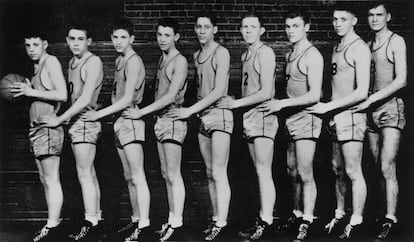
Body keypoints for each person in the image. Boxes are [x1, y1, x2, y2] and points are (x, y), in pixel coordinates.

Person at [81, 19, 151, 242]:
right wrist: (103, 108)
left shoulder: (132, 60)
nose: (118, 41)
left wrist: (97, 115)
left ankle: (145, 225)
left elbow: (128, 98)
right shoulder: (120, 60)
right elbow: (118, 96)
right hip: (120, 121)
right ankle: (136, 220)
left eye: (123, 37)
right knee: (129, 176)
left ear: (132, 38)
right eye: (115, 37)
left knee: (138, 175)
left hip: (130, 120)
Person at [257, 9, 324, 241]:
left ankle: (308, 221)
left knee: (305, 172)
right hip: (291, 118)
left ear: (307, 27)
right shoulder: (289, 54)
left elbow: (315, 94)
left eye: (295, 26)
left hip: (307, 117)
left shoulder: (312, 55)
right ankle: (297, 215)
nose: (290, 31)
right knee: (291, 171)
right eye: (287, 26)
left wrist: (281, 104)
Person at [307, 4, 371, 240]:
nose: (338, 23)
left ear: (354, 20)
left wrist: (328, 108)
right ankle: (341, 213)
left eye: (343, 19)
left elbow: (362, 91)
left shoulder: (359, 48)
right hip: (336, 117)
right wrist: (332, 113)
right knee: (337, 169)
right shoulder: (336, 47)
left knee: (354, 170)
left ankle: (357, 221)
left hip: (352, 116)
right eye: (335, 19)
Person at [121, 17, 188, 242]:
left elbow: (170, 96)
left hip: (173, 119)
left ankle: (177, 224)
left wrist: (141, 112)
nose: (162, 39)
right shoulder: (162, 59)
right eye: (159, 34)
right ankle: (171, 219)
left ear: (176, 37)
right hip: (161, 120)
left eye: (167, 35)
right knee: (166, 174)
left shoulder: (179, 61)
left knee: (173, 173)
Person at [168, 10, 233, 241]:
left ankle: (223, 224)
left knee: (218, 170)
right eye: (198, 27)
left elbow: (217, 90)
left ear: (215, 29)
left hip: (220, 115)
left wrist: (188, 111)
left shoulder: (221, 53)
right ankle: (217, 220)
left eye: (206, 27)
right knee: (209, 172)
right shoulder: (196, 55)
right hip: (204, 116)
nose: (202, 31)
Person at [216, 10, 277, 241]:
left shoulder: (266, 53)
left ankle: (267, 222)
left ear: (261, 30)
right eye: (245, 27)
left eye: (253, 27)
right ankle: (260, 220)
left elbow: (266, 92)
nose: (248, 31)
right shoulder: (244, 56)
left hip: (263, 115)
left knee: (263, 170)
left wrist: (235, 104)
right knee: (256, 171)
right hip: (250, 117)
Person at [41, 23, 104, 241]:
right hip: (76, 123)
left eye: (80, 39)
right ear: (67, 40)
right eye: (72, 39)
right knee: (88, 174)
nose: (75, 43)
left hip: (86, 122)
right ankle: (95, 221)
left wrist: (59, 119)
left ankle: (91, 223)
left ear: (89, 42)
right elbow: (70, 96)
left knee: (85, 173)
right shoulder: (72, 62)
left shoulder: (93, 61)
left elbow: (86, 98)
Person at [351, 2, 407, 240]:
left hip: (390, 108)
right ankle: (382, 213)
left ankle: (391, 218)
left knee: (387, 165)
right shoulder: (365, 45)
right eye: (371, 15)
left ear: (388, 17)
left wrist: (372, 99)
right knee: (375, 167)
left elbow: (402, 80)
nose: (374, 19)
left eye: (379, 15)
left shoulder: (396, 41)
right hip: (369, 111)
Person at [11, 25, 67, 242]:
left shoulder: (50, 61)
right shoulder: (36, 67)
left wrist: (30, 91)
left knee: (52, 179)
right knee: (45, 179)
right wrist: (29, 87)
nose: (31, 49)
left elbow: (62, 94)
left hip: (48, 129)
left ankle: (53, 226)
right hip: (37, 129)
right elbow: (42, 94)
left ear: (45, 44)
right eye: (28, 45)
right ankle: (53, 223)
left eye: (36, 44)